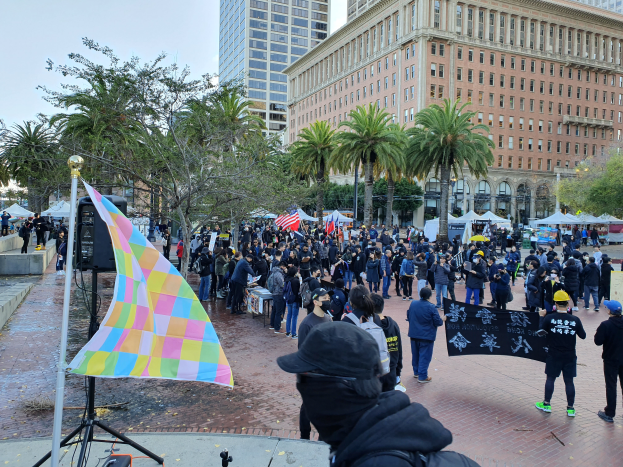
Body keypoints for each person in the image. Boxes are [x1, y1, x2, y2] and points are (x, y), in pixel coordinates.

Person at [276, 322, 478, 467]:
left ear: (340, 388)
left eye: (305, 377)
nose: (301, 387)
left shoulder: (378, 460)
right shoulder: (368, 439)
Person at [536, 290, 586, 417]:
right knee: (569, 381)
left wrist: (541, 317)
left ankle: (546, 404)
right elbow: (583, 336)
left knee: (550, 378)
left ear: (556, 304)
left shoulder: (549, 318)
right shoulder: (575, 320)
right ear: (568, 304)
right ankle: (570, 408)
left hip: (554, 354)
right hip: (570, 355)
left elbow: (540, 332)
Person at [292, 288, 333, 440]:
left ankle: (323, 436)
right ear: (315, 302)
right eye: (324, 299)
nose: (328, 301)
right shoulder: (306, 325)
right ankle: (305, 435)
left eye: (328, 298)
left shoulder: (328, 319)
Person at [407, 287, 446, 383]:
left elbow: (408, 316)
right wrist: (443, 319)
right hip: (426, 336)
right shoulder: (431, 307)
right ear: (430, 296)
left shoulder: (413, 304)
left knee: (415, 354)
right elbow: (438, 322)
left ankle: (416, 372)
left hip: (414, 334)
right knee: (424, 356)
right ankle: (422, 376)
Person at [594, 300, 623, 423]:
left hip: (611, 359)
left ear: (609, 311)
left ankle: (610, 413)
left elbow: (598, 341)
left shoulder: (605, 325)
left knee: (611, 386)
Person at [370, 293, 403, 392]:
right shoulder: (393, 324)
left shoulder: (370, 326)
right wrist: (398, 371)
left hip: (376, 373)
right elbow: (399, 348)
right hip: (391, 371)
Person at [268, 261, 287, 332]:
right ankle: (277, 327)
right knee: (278, 311)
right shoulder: (279, 274)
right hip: (279, 293)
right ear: (282, 266)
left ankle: (272, 324)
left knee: (274, 310)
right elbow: (282, 284)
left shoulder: (273, 272)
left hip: (274, 293)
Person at [283, 267, 301, 337]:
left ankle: (288, 332)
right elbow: (299, 290)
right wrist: (300, 278)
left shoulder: (286, 279)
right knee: (294, 316)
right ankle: (293, 333)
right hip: (295, 300)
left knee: (289, 315)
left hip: (288, 299)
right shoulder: (296, 281)